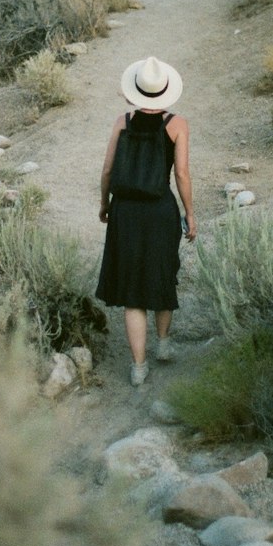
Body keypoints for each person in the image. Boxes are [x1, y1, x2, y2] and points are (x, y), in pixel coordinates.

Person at [96, 55, 196, 385]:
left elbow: (108, 169)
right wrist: (190, 213)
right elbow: (181, 173)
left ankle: (138, 367)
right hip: (159, 210)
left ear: (134, 92)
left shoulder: (122, 121)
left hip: (125, 211)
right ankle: (164, 344)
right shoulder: (177, 124)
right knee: (162, 273)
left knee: (132, 291)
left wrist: (104, 204)